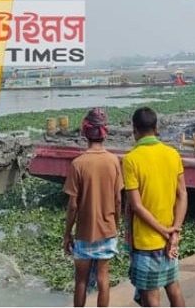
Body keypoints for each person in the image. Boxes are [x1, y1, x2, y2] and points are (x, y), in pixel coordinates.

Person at [123, 107, 187, 307]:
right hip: (170, 238)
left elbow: (136, 206)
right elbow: (182, 194)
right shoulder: (172, 154)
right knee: (174, 288)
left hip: (146, 241)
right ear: (156, 127)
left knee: (151, 298)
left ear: (134, 129)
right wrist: (174, 231)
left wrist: (164, 230)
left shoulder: (131, 159)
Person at [63, 108, 123, 307]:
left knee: (80, 281)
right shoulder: (113, 161)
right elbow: (118, 200)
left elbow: (73, 206)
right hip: (107, 230)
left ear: (85, 132)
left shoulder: (78, 164)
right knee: (103, 279)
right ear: (105, 132)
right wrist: (117, 224)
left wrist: (67, 234)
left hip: (84, 232)